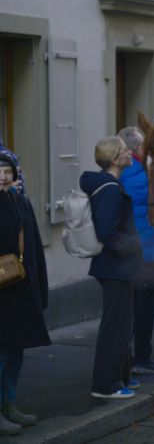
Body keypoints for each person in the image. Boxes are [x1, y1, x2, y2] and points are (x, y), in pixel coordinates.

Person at [82, 137, 142, 399]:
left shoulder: (108, 184)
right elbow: (106, 232)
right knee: (115, 326)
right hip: (114, 266)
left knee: (121, 324)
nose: (130, 153)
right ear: (116, 159)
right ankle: (106, 385)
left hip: (115, 266)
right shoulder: (109, 188)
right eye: (125, 151)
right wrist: (132, 244)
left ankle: (121, 377)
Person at [0, 154, 49, 434]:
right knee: (3, 352)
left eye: (8, 171)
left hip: (19, 286)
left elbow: (32, 247)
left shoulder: (18, 201)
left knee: (16, 350)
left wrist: (39, 288)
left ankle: (10, 404)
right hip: (2, 291)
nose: (4, 177)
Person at [117, 127, 154, 374]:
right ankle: (141, 358)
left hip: (146, 249)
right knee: (145, 309)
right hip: (149, 250)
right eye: (141, 146)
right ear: (133, 150)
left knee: (139, 308)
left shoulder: (128, 172)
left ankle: (134, 357)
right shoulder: (139, 175)